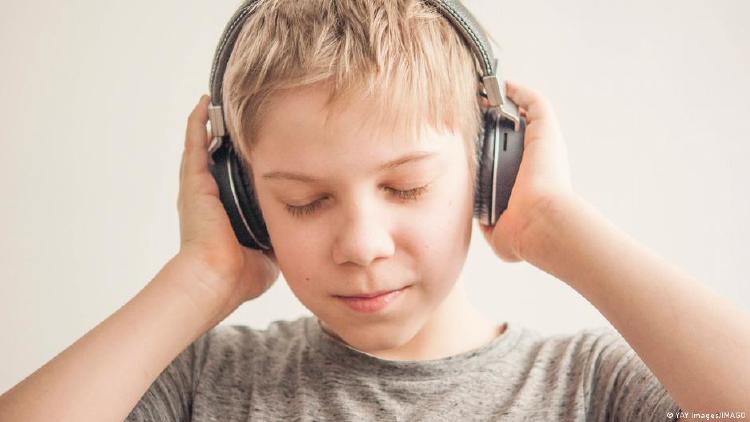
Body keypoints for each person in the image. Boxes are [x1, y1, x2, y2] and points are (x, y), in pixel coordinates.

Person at [1, 1, 748, 421]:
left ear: (492, 168)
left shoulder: (590, 388)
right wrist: (202, 276)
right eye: (305, 201)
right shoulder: (202, 385)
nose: (360, 243)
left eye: (406, 188)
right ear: (243, 201)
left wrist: (551, 221)